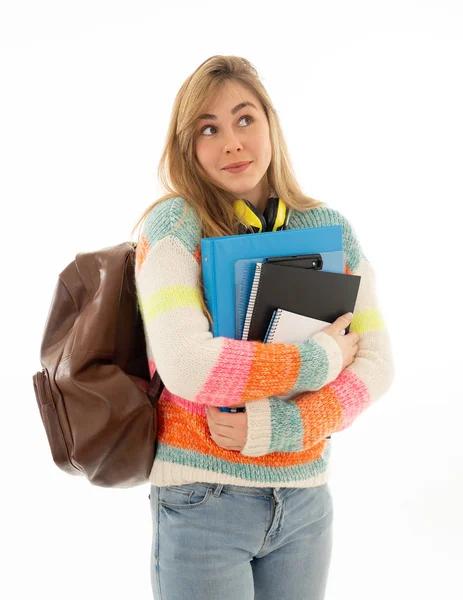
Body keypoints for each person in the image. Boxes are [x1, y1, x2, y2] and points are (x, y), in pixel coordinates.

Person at [132, 55, 394, 600]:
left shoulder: (328, 228)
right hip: (203, 500)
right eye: (209, 128)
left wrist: (286, 426)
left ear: (270, 124)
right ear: (188, 147)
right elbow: (188, 368)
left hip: (304, 502)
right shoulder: (173, 227)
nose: (232, 142)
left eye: (244, 118)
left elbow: (376, 364)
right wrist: (320, 358)